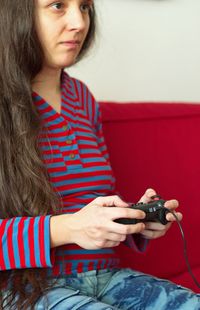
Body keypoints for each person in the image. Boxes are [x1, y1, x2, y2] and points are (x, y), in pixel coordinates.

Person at [0, 0, 199, 309]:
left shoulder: (81, 98)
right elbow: (76, 222)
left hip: (106, 275)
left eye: (85, 7)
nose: (79, 22)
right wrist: (69, 228)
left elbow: (95, 197)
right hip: (26, 287)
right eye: (57, 6)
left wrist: (135, 219)